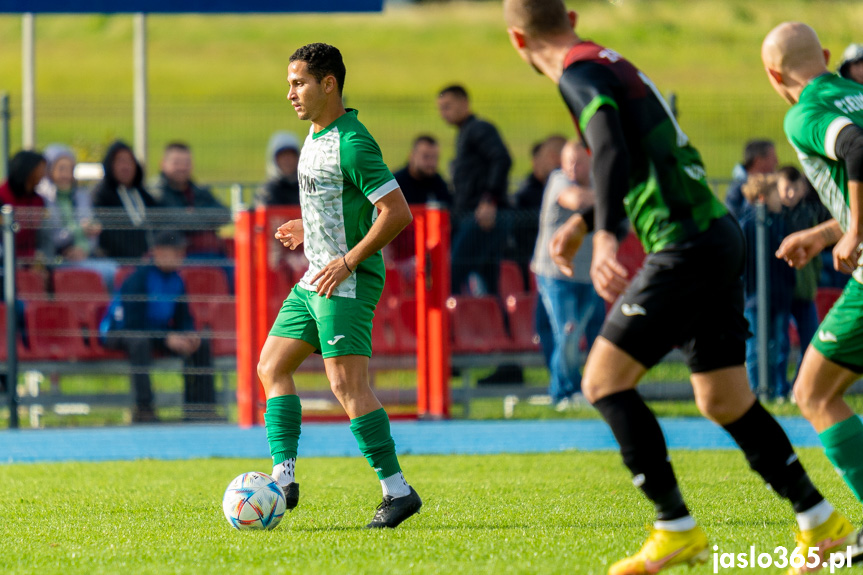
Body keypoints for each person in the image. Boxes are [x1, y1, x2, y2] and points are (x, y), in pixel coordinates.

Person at [503, 2, 853, 573]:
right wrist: (584, 223)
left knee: (603, 381)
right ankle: (820, 522)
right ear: (570, 14)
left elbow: (611, 147)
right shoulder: (609, 62)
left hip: (684, 242)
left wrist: (607, 237)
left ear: (519, 40)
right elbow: (636, 154)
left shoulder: (578, 72)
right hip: (716, 233)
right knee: (724, 398)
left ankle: (675, 528)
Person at [257, 43, 420, 529]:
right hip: (315, 278)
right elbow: (339, 202)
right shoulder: (314, 134)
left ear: (329, 84)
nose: (290, 93)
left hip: (343, 282)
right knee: (271, 366)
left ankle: (397, 492)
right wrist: (309, 227)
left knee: (346, 386)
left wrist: (348, 260)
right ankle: (283, 481)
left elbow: (397, 214)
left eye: (299, 82)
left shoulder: (353, 142)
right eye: (289, 83)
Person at [764, 21, 863, 563]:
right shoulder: (860, 95)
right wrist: (827, 232)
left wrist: (849, 232)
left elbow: (856, 148)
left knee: (814, 393)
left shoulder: (803, 114)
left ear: (773, 74)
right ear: (824, 56)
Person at [100, 231, 216, 423]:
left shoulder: (177, 279)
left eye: (182, 251)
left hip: (155, 334)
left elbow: (183, 317)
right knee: (139, 343)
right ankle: (144, 409)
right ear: (158, 252)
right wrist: (165, 338)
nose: (181, 256)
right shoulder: (138, 279)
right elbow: (133, 325)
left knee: (200, 344)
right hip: (119, 332)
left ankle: (201, 408)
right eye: (176, 251)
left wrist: (187, 334)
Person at [531, 139, 604, 409]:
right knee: (568, 331)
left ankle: (568, 388)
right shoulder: (559, 181)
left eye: (580, 161)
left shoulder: (598, 182)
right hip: (555, 274)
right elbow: (578, 200)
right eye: (568, 161)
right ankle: (565, 392)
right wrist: (616, 192)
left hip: (587, 274)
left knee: (578, 332)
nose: (573, 167)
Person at [438, 84, 512, 295]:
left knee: (453, 274)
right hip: (474, 215)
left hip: (480, 217)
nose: (443, 113)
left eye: (448, 106)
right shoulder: (466, 132)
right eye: (441, 108)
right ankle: (495, 325)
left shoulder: (478, 129)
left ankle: (447, 327)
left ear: (464, 103)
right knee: (487, 280)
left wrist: (489, 200)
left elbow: (501, 159)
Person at [739, 174, 794, 401]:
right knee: (755, 348)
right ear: (762, 197)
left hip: (779, 297)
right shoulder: (748, 225)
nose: (779, 199)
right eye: (774, 194)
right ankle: (756, 393)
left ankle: (776, 390)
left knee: (778, 346)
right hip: (755, 299)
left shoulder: (782, 222)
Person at [776, 165, 833, 381]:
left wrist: (814, 277)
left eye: (795, 188)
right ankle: (778, 390)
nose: (791, 194)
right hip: (781, 291)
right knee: (780, 343)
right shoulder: (772, 216)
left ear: (803, 189)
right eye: (786, 188)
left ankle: (799, 387)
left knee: (810, 341)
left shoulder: (810, 214)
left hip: (805, 289)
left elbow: (816, 255)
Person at [37, 144, 117, 289]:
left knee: (115, 271)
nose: (66, 175)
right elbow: (50, 238)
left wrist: (84, 249)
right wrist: (77, 231)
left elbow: (91, 231)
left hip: (85, 257)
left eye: (70, 169)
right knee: (108, 273)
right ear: (49, 171)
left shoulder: (82, 196)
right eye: (61, 169)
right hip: (57, 259)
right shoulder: (43, 199)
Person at [152, 142, 231, 259]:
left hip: (212, 253)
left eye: (186, 163)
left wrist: (193, 214)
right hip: (176, 256)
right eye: (177, 163)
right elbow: (176, 220)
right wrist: (203, 219)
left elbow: (224, 214)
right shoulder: (156, 192)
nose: (182, 167)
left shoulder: (198, 190)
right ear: (163, 164)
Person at [92, 141, 158, 261]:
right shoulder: (101, 196)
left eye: (129, 161)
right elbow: (108, 235)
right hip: (117, 261)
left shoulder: (144, 196)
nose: (125, 167)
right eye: (120, 161)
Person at [390, 134, 452, 262]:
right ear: (412, 156)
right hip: (399, 256)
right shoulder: (395, 183)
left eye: (435, 158)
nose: (431, 163)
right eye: (426, 157)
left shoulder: (438, 184)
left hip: (430, 254)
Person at [0, 150, 46, 264]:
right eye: (40, 170)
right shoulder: (3, 197)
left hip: (31, 261)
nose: (43, 174)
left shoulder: (38, 201)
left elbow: (41, 237)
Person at [724, 139, 779, 222]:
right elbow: (733, 220)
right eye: (772, 157)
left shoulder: (775, 185)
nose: (777, 162)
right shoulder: (737, 190)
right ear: (758, 161)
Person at [259, 131, 301, 206]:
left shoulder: (305, 187)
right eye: (283, 156)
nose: (287, 161)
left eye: (291, 156)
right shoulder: (267, 193)